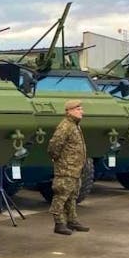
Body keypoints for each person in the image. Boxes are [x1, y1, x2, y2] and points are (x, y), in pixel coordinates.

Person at [47, 99, 90, 235]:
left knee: (72, 196)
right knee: (61, 195)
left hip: (75, 168)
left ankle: (72, 221)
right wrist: (60, 160)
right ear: (69, 111)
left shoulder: (75, 125)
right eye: (78, 109)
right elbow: (54, 146)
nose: (81, 111)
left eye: (81, 108)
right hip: (66, 168)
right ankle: (59, 223)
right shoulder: (65, 126)